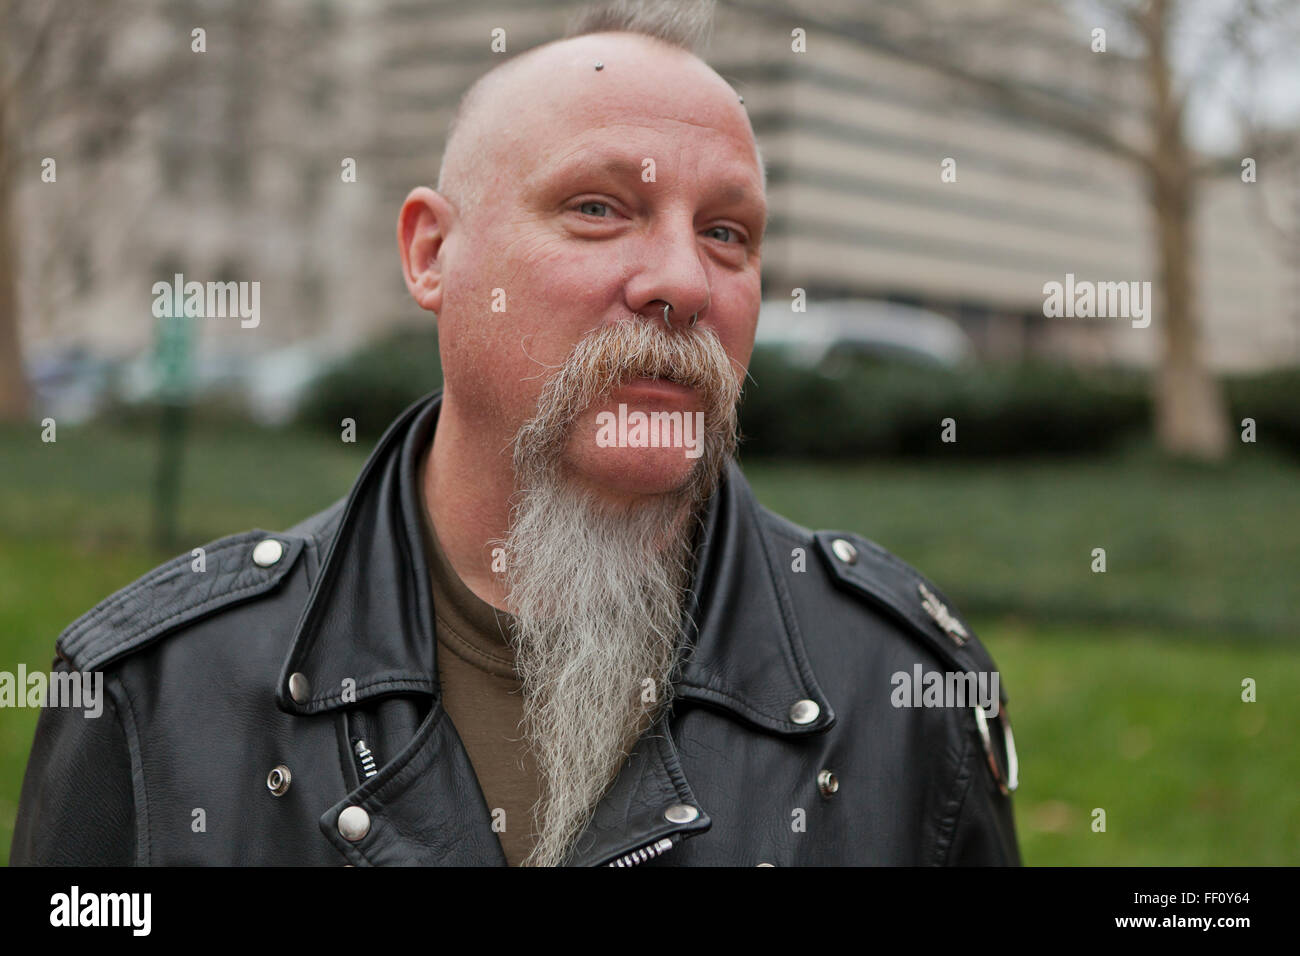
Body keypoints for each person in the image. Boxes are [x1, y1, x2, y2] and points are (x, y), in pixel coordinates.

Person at [11, 0, 1020, 867]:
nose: (680, 279)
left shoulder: (910, 690)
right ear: (432, 252)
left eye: (727, 232)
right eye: (597, 207)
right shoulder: (156, 689)